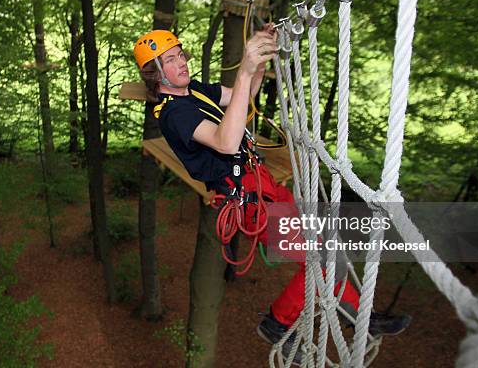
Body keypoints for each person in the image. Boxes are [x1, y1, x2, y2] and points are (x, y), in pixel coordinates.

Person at [133, 27, 411, 364]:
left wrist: (259, 61)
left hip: (261, 184)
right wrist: (245, 67)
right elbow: (225, 142)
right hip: (249, 199)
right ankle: (278, 321)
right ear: (154, 73)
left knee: (324, 251)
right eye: (170, 60)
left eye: (180, 55)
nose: (182, 63)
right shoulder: (174, 114)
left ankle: (361, 318)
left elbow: (242, 95)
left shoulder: (192, 91)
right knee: (321, 260)